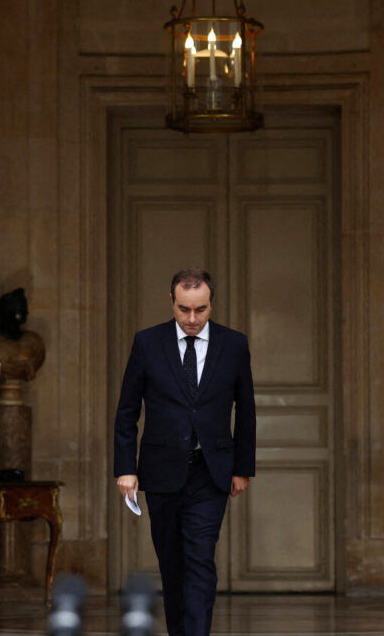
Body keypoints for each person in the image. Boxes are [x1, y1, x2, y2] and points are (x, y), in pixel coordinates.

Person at [113, 268, 256, 636]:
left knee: (199, 561)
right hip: (161, 472)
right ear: (172, 303)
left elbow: (247, 409)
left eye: (201, 310)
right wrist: (125, 467)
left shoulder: (234, 344)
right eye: (184, 310)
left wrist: (243, 468)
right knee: (172, 565)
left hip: (210, 473)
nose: (192, 319)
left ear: (211, 304)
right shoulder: (147, 343)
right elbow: (128, 410)